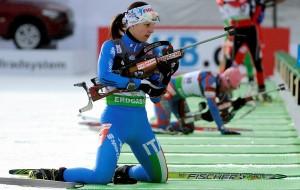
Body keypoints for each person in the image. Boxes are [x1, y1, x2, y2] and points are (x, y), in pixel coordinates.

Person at [29, 1, 178, 185]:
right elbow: (105, 77)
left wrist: (165, 75)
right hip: (115, 120)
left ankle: (125, 172)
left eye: (153, 25)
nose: (152, 30)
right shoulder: (111, 47)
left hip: (141, 124)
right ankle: (58, 174)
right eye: (148, 25)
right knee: (100, 177)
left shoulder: (152, 52)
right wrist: (140, 83)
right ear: (132, 23)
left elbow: (155, 98)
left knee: (159, 177)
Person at [151, 67, 244, 135]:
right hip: (164, 92)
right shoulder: (210, 82)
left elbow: (224, 110)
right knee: (162, 127)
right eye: (230, 88)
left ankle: (166, 125)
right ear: (226, 80)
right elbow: (213, 107)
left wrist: (231, 112)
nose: (228, 91)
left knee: (188, 127)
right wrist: (222, 128)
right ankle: (150, 126)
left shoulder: (219, 83)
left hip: (177, 96)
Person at [216, 0, 272, 101]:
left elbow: (259, 10)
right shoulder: (224, 3)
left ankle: (262, 90)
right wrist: (229, 30)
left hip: (251, 30)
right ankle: (224, 92)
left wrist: (256, 14)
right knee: (229, 60)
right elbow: (225, 15)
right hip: (236, 29)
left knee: (257, 61)